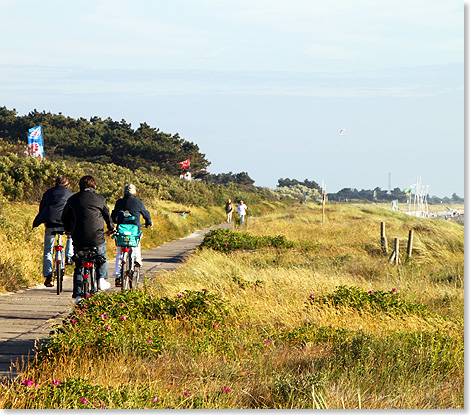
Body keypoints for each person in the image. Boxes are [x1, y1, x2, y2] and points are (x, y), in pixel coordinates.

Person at [61, 175, 115, 304]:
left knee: (79, 264)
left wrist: (68, 229)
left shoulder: (73, 199)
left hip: (79, 238)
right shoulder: (100, 199)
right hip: (96, 237)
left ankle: (79, 296)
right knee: (101, 254)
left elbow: (64, 216)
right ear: (94, 186)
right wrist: (112, 228)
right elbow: (108, 216)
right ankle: (101, 279)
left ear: (80, 186)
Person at [33, 175, 74, 287]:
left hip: (50, 222)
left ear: (55, 184)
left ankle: (48, 275)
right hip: (64, 224)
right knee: (70, 235)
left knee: (48, 249)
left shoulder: (48, 192)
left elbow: (42, 207)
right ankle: (69, 256)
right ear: (67, 185)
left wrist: (43, 219)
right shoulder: (70, 193)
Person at [111, 184, 152, 287]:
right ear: (135, 193)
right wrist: (148, 222)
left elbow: (114, 215)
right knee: (136, 241)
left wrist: (114, 222)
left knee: (120, 252)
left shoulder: (119, 202)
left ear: (124, 193)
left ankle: (117, 275)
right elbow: (145, 214)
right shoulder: (138, 202)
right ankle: (137, 259)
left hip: (122, 230)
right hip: (134, 230)